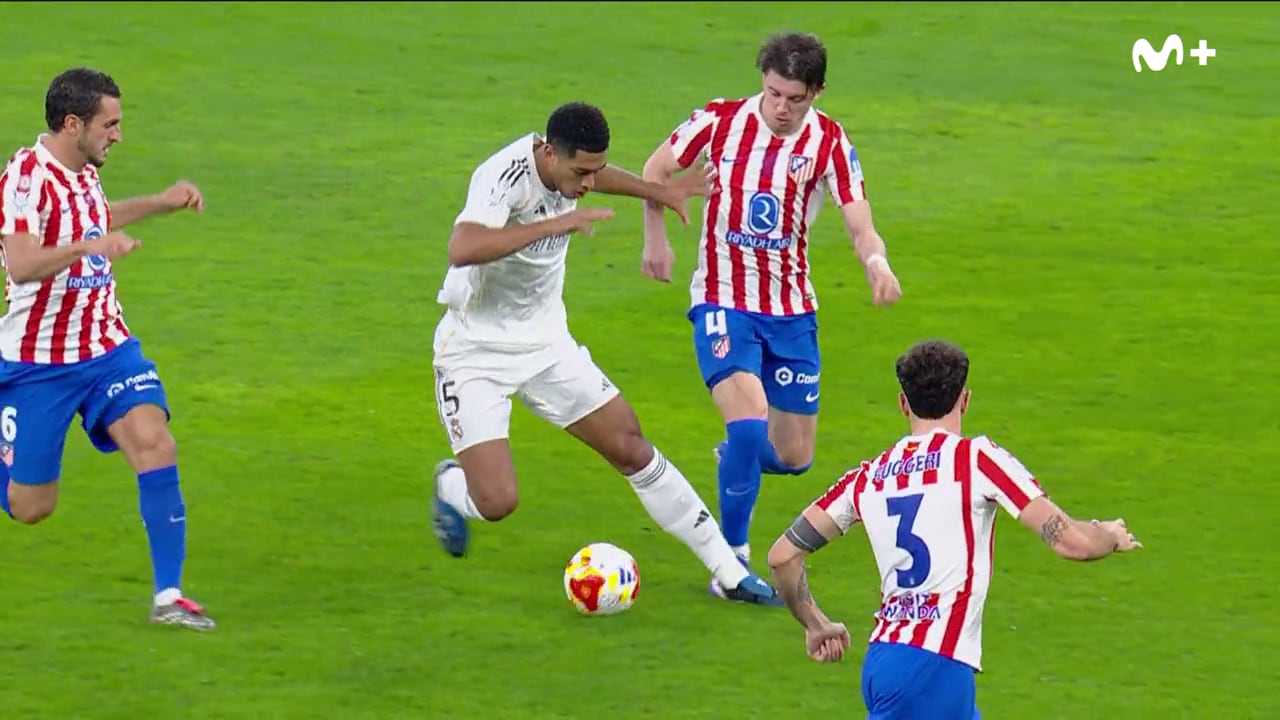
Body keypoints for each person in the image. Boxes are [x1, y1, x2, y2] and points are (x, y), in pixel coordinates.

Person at [429, 101, 783, 607]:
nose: (589, 184)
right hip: (475, 355)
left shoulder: (573, 169)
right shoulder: (503, 176)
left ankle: (729, 572)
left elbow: (599, 173)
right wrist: (549, 227)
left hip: (547, 346)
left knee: (630, 446)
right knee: (497, 501)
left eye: (595, 171)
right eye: (580, 173)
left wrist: (656, 190)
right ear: (549, 154)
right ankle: (450, 487)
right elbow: (462, 248)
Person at [639, 31, 904, 597]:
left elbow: (859, 220)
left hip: (790, 310)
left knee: (792, 456)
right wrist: (654, 240)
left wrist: (877, 264)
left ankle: (736, 456)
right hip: (722, 298)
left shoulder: (830, 143)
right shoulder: (718, 121)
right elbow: (655, 170)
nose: (781, 109)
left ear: (818, 92)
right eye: (773, 94)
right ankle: (731, 563)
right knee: (747, 417)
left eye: (795, 99)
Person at [766, 339, 1144, 718]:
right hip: (933, 665)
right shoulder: (976, 460)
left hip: (888, 660)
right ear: (964, 399)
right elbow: (1071, 542)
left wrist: (816, 625)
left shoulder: (869, 477)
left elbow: (783, 556)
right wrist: (1108, 535)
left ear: (903, 403)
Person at [0, 68, 214, 630]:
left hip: (105, 348)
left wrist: (161, 203)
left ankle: (169, 595)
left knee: (154, 441)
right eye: (109, 124)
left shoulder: (86, 169)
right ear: (73, 125)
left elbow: (95, 217)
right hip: (38, 364)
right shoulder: (25, 178)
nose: (117, 134)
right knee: (30, 508)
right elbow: (21, 263)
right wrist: (90, 246)